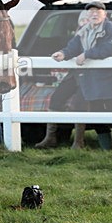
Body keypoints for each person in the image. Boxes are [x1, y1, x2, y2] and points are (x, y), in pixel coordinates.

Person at [52, 1, 112, 151]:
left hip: (110, 82)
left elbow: (108, 48)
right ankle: (108, 152)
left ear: (105, 14)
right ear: (87, 15)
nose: (94, 14)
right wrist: (63, 53)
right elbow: (73, 46)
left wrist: (87, 54)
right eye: (91, 11)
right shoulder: (83, 30)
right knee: (97, 118)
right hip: (90, 82)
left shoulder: (110, 28)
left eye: (98, 11)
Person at [35, 10, 89, 149]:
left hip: (91, 77)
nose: (85, 23)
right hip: (74, 75)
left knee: (80, 103)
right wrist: (63, 53)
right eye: (82, 21)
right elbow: (70, 48)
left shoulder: (99, 34)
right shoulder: (77, 36)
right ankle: (50, 138)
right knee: (56, 99)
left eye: (87, 20)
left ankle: (79, 142)